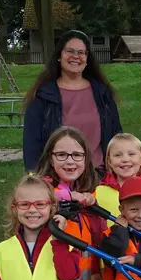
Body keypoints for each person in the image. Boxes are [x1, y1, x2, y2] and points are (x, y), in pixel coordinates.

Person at [33, 126, 108, 280]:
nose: (70, 161)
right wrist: (74, 197)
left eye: (77, 155)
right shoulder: (43, 188)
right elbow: (42, 196)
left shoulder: (82, 193)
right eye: (62, 155)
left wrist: (95, 271)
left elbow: (92, 239)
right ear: (50, 158)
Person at [23, 30, 124, 175]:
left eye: (81, 52)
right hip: (57, 179)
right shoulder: (42, 96)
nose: (75, 56)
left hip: (99, 176)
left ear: (87, 57)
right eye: (69, 51)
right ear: (59, 55)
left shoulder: (102, 93)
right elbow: (31, 143)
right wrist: (35, 178)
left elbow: (116, 135)